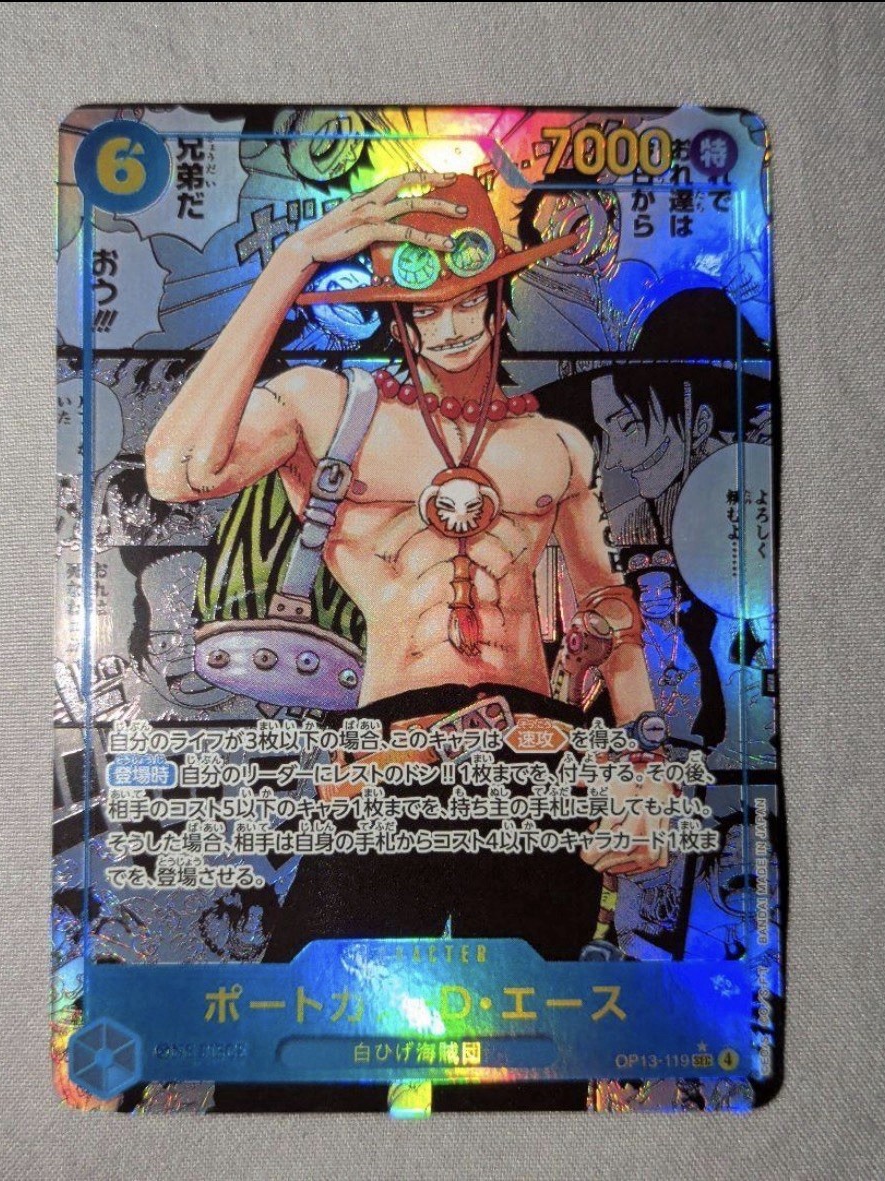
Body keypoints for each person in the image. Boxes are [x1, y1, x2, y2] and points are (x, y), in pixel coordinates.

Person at [145, 172, 666, 964]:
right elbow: (177, 469)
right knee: (322, 1007)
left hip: (537, 751)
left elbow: (607, 608)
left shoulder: (556, 445)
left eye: (467, 302)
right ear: (397, 316)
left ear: (497, 302)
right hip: (390, 751)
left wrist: (645, 773)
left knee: (534, 1018)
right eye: (424, 310)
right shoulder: (325, 406)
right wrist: (292, 263)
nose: (449, 327)